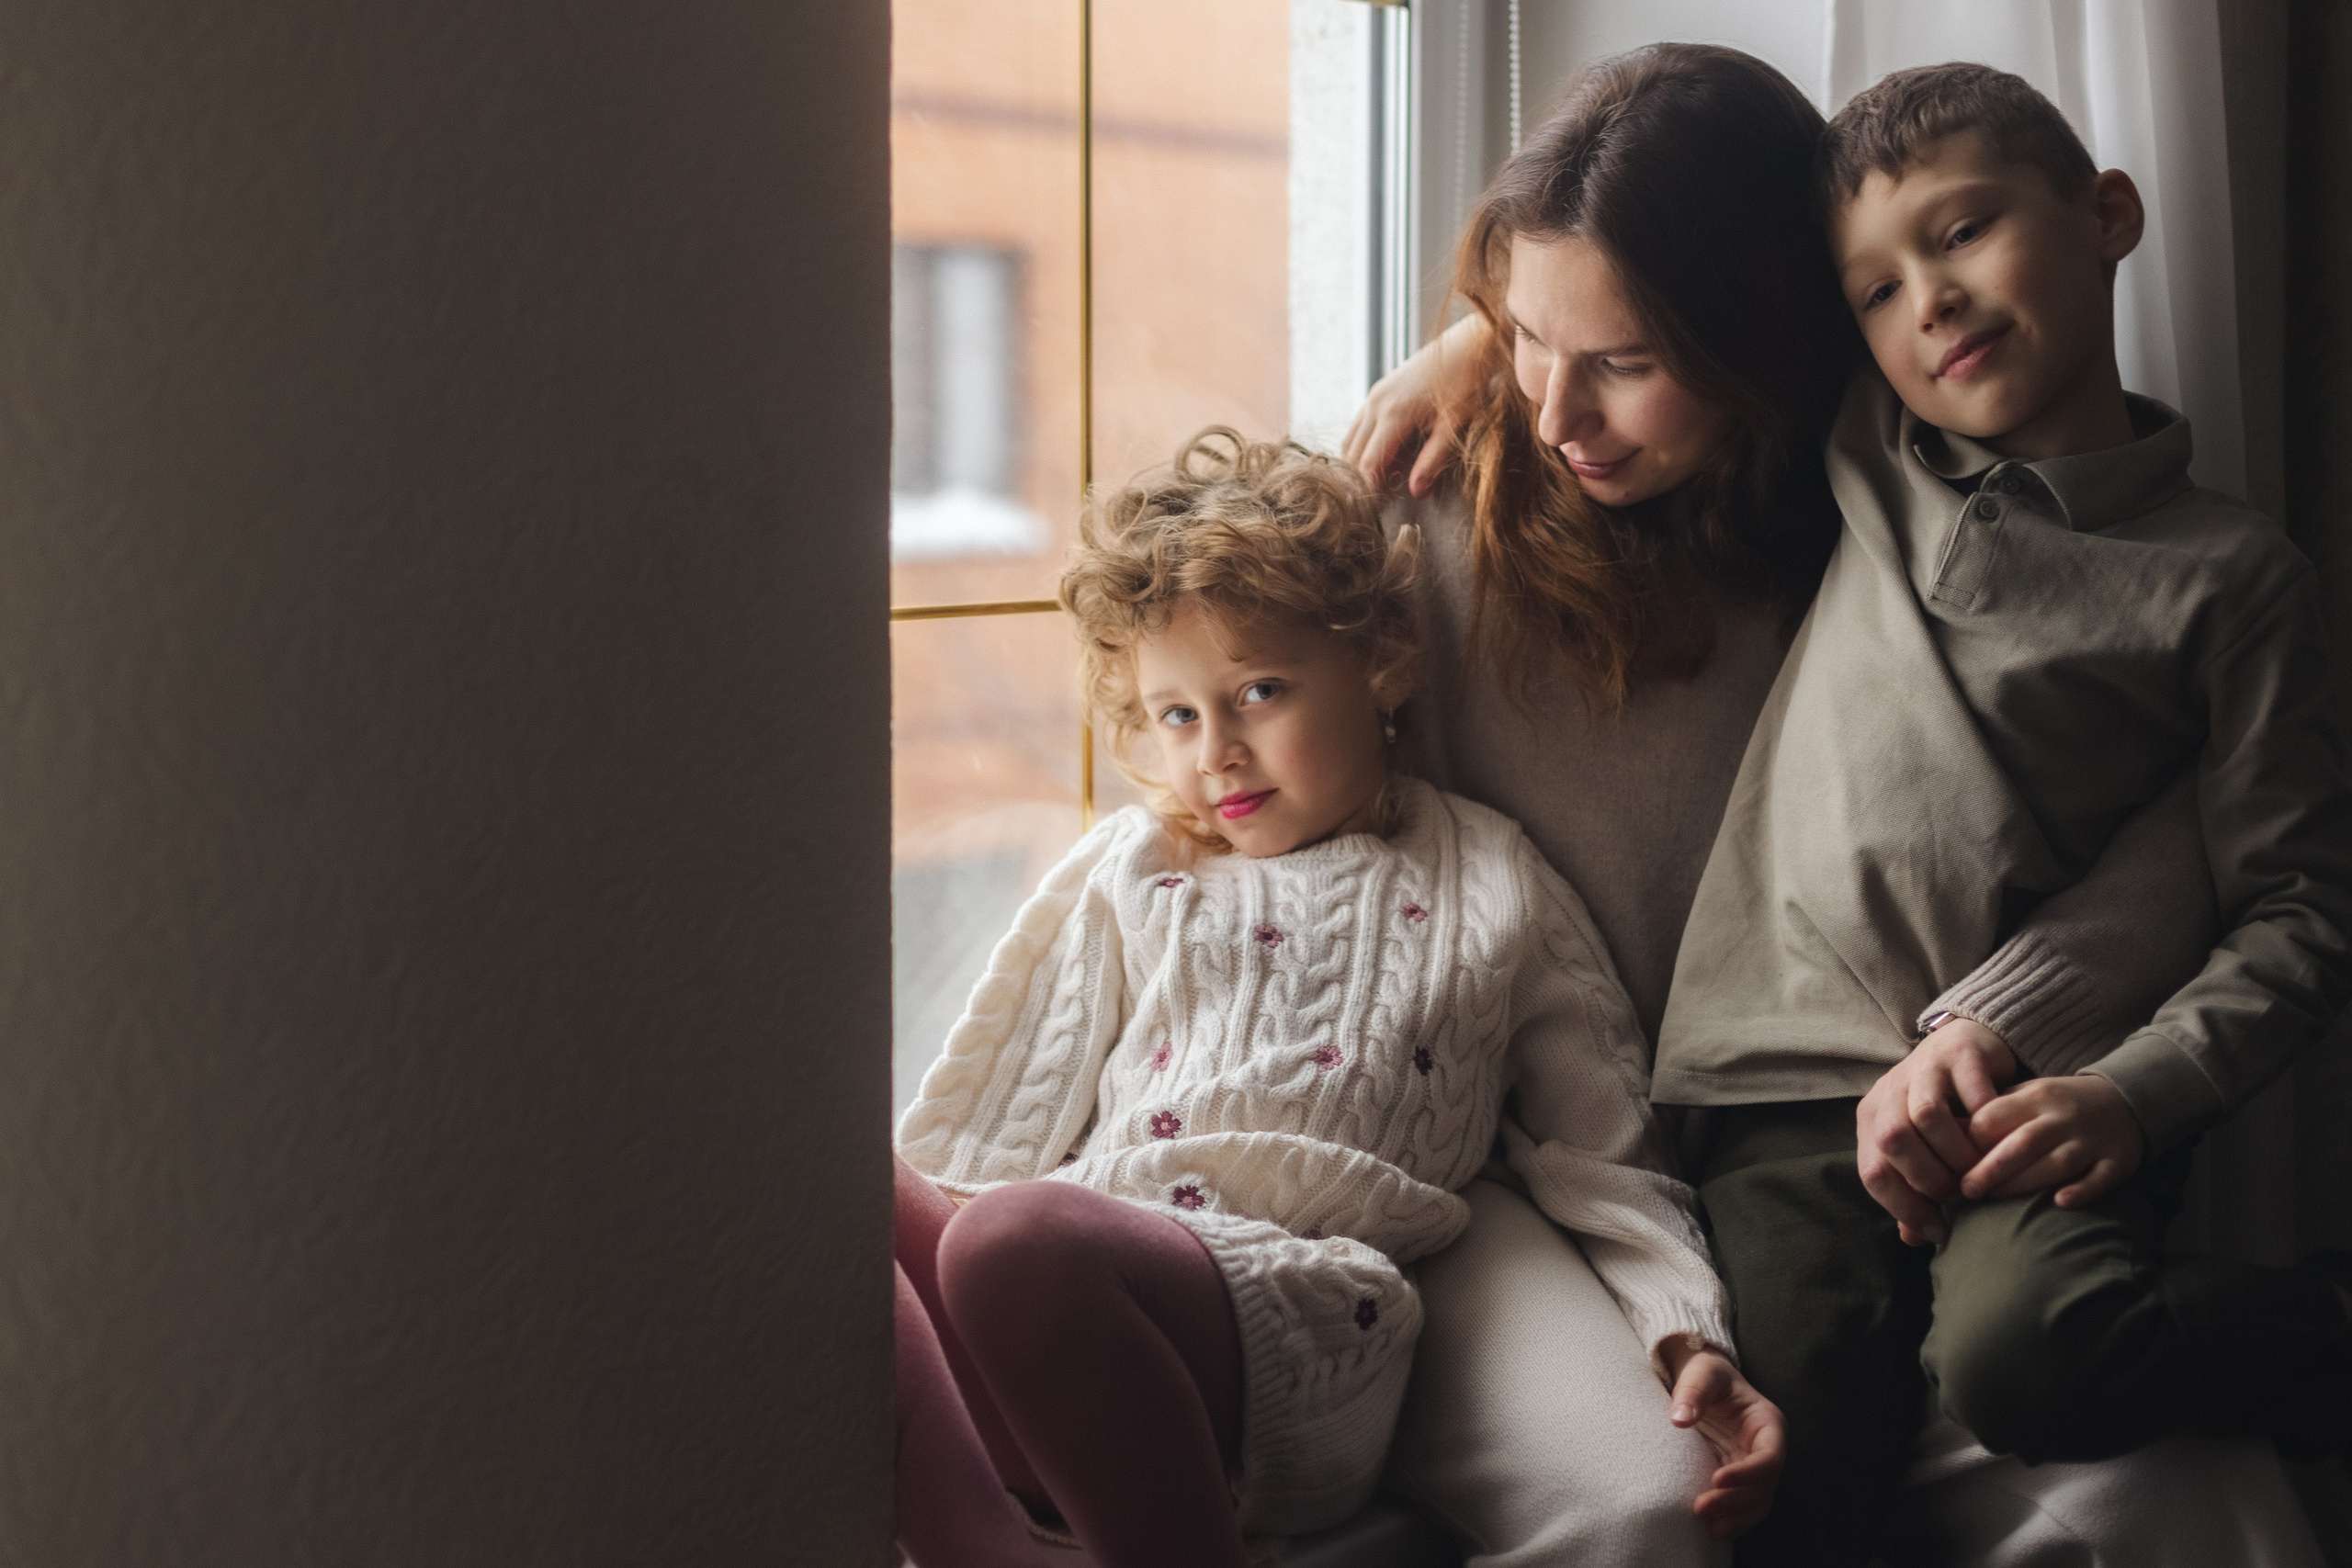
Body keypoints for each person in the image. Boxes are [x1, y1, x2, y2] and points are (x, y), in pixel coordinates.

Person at [1345, 41, 2324, 1568]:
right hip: (1641, 1146)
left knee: (2170, 1477)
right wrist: (1473, 350)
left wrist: (2039, 1041)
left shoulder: (1893, 480)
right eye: (1527, 342)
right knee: (1762, 1492)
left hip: (1954, 1101)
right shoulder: (1441, 510)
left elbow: (2234, 852)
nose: (1559, 413)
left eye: (1624, 358)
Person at [1651, 61, 2352, 1565]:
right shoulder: (1864, 448)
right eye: (1878, 289)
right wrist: (1460, 354)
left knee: (2034, 1359)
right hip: (1782, 1091)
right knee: (1803, 1444)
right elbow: (1656, 277)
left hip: (2046, 1100)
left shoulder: (2229, 577)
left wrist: (2131, 1091)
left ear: (2107, 214)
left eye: (1963, 232)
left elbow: (2303, 907)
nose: (1931, 303)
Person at [889, 429, 1782, 1568]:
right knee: (851, 1197)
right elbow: (984, 1135)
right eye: (1176, 715)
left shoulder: (1485, 873)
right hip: (1081, 1300)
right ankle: (977, 1539)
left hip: (1308, 1315)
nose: (1216, 751)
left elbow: (1602, 1152)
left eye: (1259, 691)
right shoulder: (1126, 869)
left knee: (1015, 1241)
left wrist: (1682, 1328)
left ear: (1382, 664)